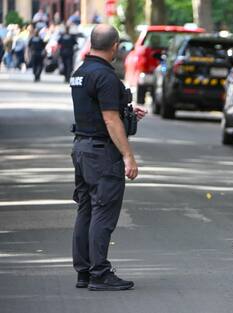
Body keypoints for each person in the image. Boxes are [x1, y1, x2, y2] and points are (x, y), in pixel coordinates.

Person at [70, 24, 148, 291]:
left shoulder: (80, 73)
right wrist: (129, 156)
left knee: (86, 210)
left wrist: (127, 109)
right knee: (103, 211)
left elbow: (99, 110)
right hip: (102, 153)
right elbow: (109, 118)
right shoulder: (105, 76)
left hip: (82, 148)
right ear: (115, 46)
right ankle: (100, 273)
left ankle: (84, 271)